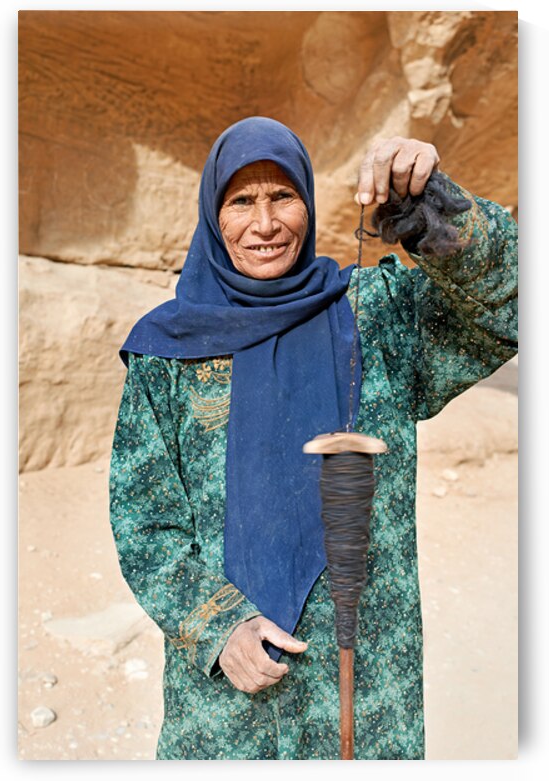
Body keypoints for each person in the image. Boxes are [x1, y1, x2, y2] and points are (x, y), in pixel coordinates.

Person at [108, 116, 517, 760]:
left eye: (283, 197)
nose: (265, 224)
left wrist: (436, 206)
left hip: (367, 689)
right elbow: (144, 520)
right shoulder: (169, 351)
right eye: (242, 201)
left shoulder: (375, 315)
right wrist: (218, 627)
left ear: (309, 199)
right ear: (213, 216)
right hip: (230, 700)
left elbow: (513, 307)